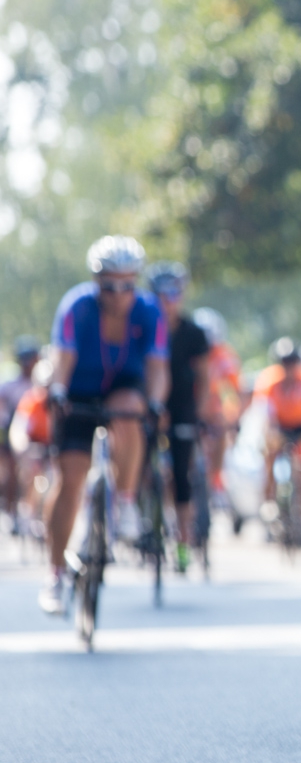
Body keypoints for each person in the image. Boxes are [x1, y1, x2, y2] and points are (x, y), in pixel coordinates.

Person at [40, 236, 170, 615]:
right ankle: (55, 572)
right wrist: (59, 390)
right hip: (78, 390)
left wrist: (157, 401)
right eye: (109, 285)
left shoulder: (148, 311)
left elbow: (157, 369)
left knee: (131, 409)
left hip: (120, 389)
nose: (118, 294)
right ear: (97, 283)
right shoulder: (77, 306)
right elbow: (62, 358)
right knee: (71, 480)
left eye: (127, 285)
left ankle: (126, 501)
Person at [148, 263, 211, 573]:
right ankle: (142, 524)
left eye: (175, 293)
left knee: (182, 477)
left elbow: (205, 377)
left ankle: (183, 542)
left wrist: (199, 412)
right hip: (149, 406)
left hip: (183, 407)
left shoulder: (193, 332)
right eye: (161, 294)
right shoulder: (144, 326)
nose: (168, 300)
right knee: (143, 466)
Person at [257, 337, 301, 522]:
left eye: (292, 363)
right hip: (281, 427)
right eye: (285, 363)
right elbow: (268, 416)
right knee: (269, 453)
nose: (289, 368)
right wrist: (271, 435)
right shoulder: (270, 384)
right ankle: (269, 500)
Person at [193, 307, 241, 500]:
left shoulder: (224, 355)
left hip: (212, 408)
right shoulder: (187, 351)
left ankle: (216, 480)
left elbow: (234, 390)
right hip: (189, 404)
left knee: (221, 426)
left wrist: (234, 417)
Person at [0, 336, 43, 531]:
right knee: (11, 469)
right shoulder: (9, 385)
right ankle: (10, 512)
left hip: (38, 435)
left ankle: (31, 511)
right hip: (13, 431)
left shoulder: (40, 384)